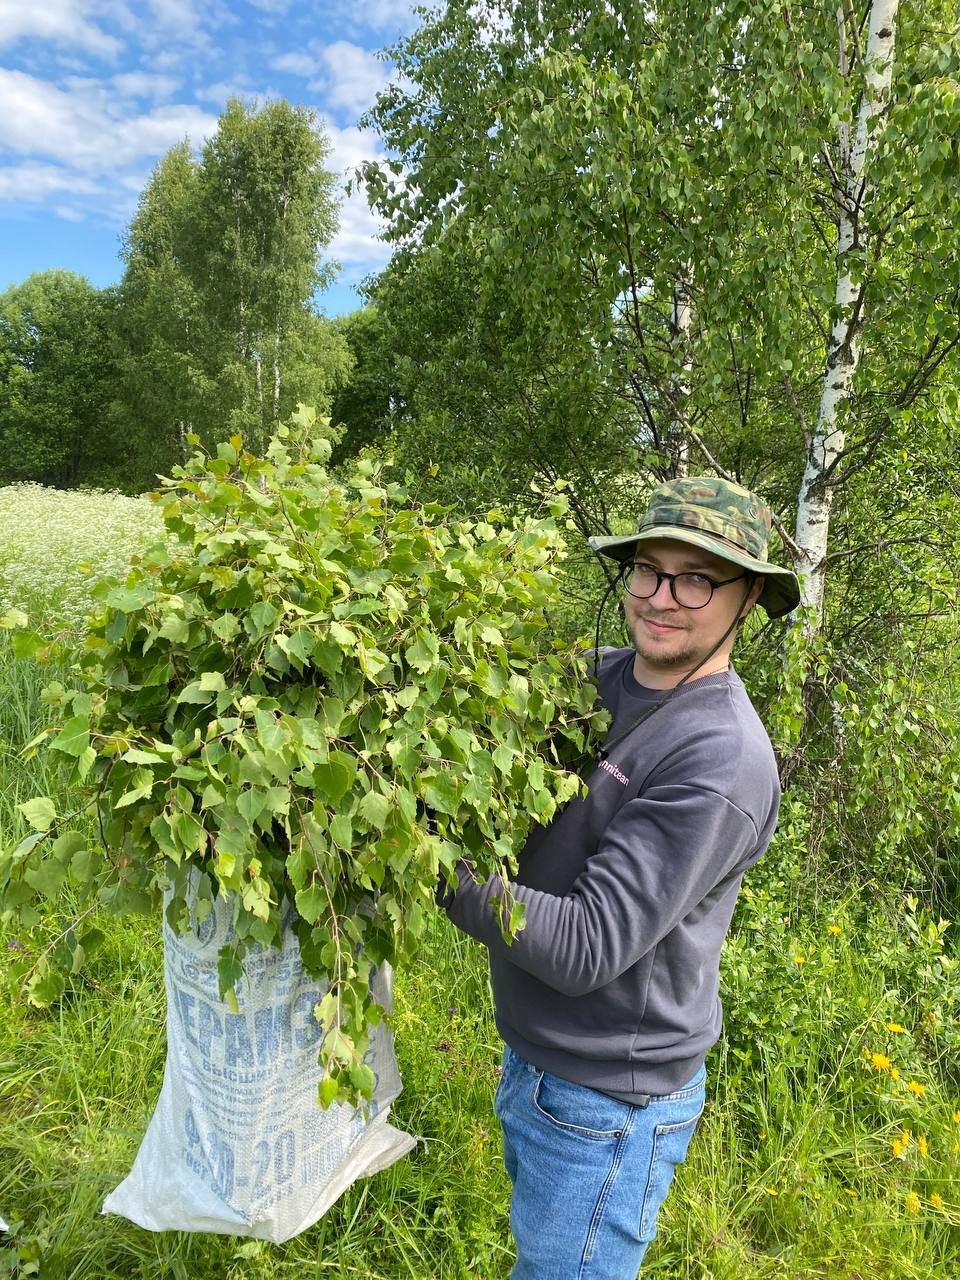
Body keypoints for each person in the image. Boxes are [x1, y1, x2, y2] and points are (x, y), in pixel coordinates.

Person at [440, 477, 800, 1279]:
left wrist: (417, 862)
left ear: (747, 601)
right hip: (541, 1065)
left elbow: (588, 946)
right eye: (646, 568)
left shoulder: (720, 760)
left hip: (607, 1103)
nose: (661, 597)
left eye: (696, 578)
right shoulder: (597, 681)